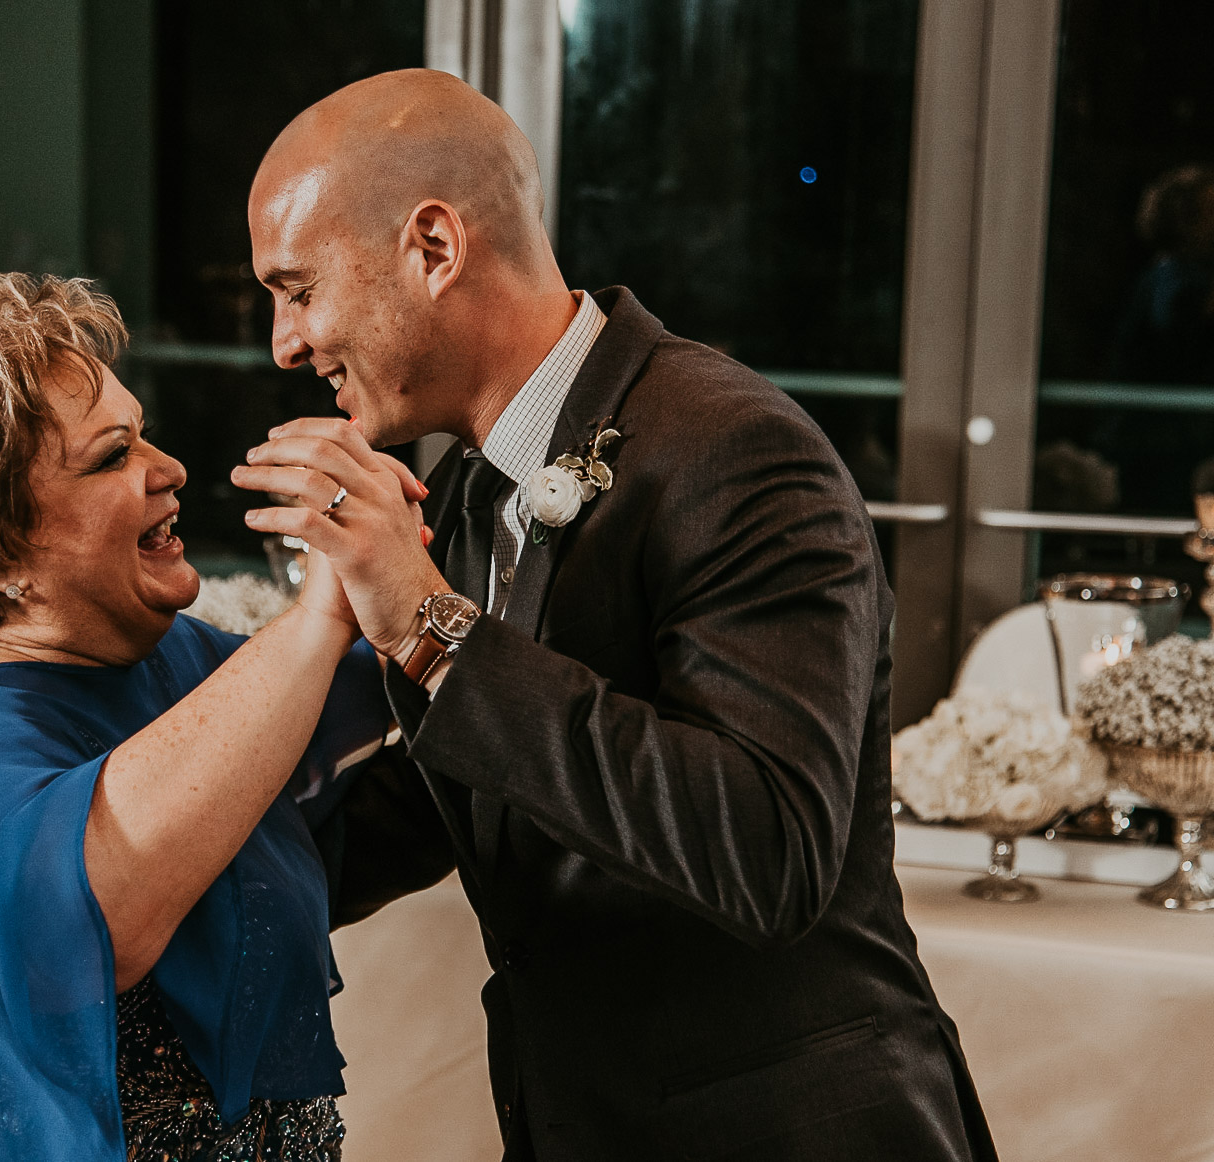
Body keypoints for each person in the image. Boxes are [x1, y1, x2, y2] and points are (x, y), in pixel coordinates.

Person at [232, 68, 999, 1161]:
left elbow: (769, 848)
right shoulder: (462, 491)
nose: (284, 341)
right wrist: (155, 866)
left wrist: (432, 627)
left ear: (435, 247)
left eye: (298, 287)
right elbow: (471, 795)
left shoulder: (735, 449)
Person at [0, 273, 420, 1161]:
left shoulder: (150, 654)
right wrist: (321, 616)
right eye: (111, 457)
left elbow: (354, 695)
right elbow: (103, 917)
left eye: (144, 438)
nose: (168, 469)